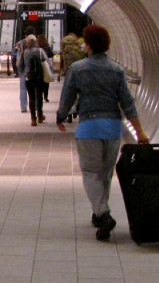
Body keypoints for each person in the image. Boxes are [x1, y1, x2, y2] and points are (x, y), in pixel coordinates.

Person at [55, 25, 150, 242]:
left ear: (87, 44)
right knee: (106, 173)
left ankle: (103, 213)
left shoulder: (77, 69)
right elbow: (128, 104)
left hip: (89, 126)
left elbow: (67, 97)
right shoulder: (116, 70)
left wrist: (60, 117)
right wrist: (140, 131)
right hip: (112, 127)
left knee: (91, 173)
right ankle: (99, 212)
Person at [22, 34, 48, 126]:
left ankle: (33, 119)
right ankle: (40, 115)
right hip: (39, 77)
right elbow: (46, 61)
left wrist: (24, 72)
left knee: (31, 97)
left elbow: (19, 64)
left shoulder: (25, 52)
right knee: (39, 96)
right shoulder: (39, 51)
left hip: (28, 77)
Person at [38, 34, 55, 103]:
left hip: (39, 66)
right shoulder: (47, 47)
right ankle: (46, 96)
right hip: (47, 65)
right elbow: (51, 55)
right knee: (46, 81)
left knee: (40, 81)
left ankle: (40, 95)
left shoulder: (37, 47)